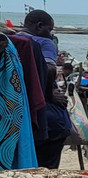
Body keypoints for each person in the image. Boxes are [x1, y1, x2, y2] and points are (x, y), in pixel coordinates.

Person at [17, 10, 71, 168]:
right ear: (39, 26)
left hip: (21, 114)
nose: (51, 34)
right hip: (47, 119)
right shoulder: (43, 42)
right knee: (46, 170)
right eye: (50, 29)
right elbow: (49, 70)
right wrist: (49, 96)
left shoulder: (13, 40)